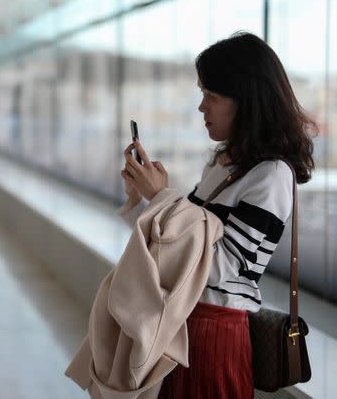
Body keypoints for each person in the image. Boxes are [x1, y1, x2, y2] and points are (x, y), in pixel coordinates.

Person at [120, 32, 316, 398]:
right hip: (182, 321)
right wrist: (144, 196)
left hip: (214, 334)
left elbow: (220, 266)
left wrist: (160, 197)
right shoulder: (226, 164)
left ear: (246, 100)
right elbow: (173, 246)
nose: (201, 107)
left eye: (211, 95)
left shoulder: (271, 174)